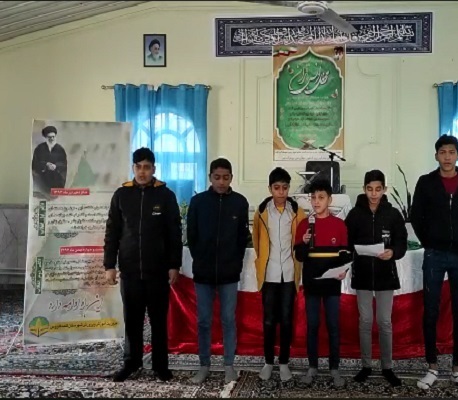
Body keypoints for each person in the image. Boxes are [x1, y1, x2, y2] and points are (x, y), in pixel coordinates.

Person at [410, 135, 458, 394]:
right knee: (431, 311)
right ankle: (432, 367)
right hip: (434, 255)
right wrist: (429, 242)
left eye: (452, 152)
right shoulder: (426, 182)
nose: (447, 156)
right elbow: (415, 216)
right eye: (443, 152)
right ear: (436, 156)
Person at [103, 147, 182, 382]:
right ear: (133, 168)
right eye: (138, 167)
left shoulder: (165, 195)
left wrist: (174, 265)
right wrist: (109, 265)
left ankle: (160, 366)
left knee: (158, 321)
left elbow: (174, 233)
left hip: (158, 271)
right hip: (129, 271)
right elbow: (112, 232)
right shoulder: (121, 195)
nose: (142, 172)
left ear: (154, 169)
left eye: (147, 167)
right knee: (132, 320)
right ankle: (132, 363)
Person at [187, 158, 249, 384]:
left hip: (229, 274)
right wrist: (201, 258)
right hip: (203, 273)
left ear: (231, 178)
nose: (221, 182)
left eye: (225, 178)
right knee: (204, 320)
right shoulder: (198, 202)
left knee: (228, 319)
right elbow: (191, 235)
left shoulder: (240, 202)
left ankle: (229, 365)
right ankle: (204, 365)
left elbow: (242, 238)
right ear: (210, 178)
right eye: (217, 177)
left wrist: (235, 262)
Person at [344, 170, 408, 387]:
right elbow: (346, 242)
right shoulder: (355, 214)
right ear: (364, 189)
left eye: (378, 189)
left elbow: (401, 241)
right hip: (362, 274)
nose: (373, 194)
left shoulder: (393, 214)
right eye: (370, 189)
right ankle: (366, 365)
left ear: (384, 190)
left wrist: (393, 252)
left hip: (385, 275)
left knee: (384, 321)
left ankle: (387, 367)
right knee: (365, 321)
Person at [293, 180, 352, 388]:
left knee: (333, 325)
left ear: (330, 199)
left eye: (321, 197)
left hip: (331, 286)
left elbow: (345, 255)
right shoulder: (304, 225)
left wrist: (343, 271)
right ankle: (312, 366)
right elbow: (299, 256)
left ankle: (334, 367)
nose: (316, 202)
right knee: (313, 326)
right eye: (313, 198)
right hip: (312, 284)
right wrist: (304, 242)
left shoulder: (339, 225)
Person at [252, 167, 306, 382]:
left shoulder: (297, 212)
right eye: (277, 188)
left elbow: (301, 240)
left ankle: (284, 362)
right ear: (270, 189)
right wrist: (262, 262)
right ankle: (268, 362)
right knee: (268, 320)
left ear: (288, 188)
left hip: (289, 273)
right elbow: (256, 240)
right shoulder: (262, 212)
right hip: (269, 273)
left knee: (286, 319)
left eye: (284, 188)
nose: (281, 192)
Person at [31, 125, 68, 195]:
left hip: (57, 178)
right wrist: (46, 165)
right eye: (49, 137)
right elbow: (34, 163)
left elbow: (64, 163)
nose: (52, 139)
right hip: (42, 177)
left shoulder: (60, 149)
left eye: (53, 137)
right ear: (46, 137)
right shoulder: (39, 148)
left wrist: (56, 166)